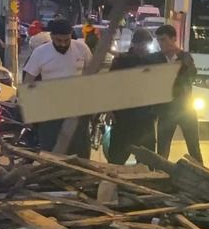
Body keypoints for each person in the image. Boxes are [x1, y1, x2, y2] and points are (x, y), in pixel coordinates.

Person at [22, 19, 94, 158]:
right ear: (51, 36)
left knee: (79, 151)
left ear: (71, 35)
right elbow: (28, 82)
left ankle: (79, 179)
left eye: (66, 40)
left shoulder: (82, 48)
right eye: (58, 40)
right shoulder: (40, 53)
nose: (62, 44)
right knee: (51, 152)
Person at [107, 28, 160, 164]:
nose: (143, 48)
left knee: (147, 162)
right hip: (123, 116)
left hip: (145, 117)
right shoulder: (121, 61)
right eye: (140, 44)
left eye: (146, 45)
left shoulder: (152, 61)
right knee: (116, 160)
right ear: (134, 44)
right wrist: (109, 109)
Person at [153, 24, 203, 164]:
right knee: (162, 150)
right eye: (158, 40)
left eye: (163, 40)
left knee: (194, 148)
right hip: (165, 111)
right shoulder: (157, 59)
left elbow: (190, 77)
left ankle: (201, 178)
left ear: (174, 38)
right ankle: (160, 177)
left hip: (185, 110)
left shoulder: (185, 58)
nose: (161, 44)